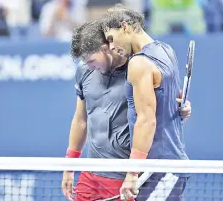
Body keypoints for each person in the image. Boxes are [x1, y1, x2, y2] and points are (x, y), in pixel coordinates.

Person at [62, 19, 191, 201]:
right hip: (90, 174)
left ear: (105, 47)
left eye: (91, 60)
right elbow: (80, 120)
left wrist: (180, 109)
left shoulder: (138, 68)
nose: (88, 66)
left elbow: (155, 114)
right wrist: (69, 166)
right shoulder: (83, 71)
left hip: (123, 178)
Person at [101, 4, 190, 200]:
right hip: (170, 164)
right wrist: (183, 109)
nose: (111, 47)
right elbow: (174, 107)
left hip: (158, 168)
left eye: (111, 38)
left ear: (125, 27)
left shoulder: (139, 63)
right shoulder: (167, 50)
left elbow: (146, 120)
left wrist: (132, 172)